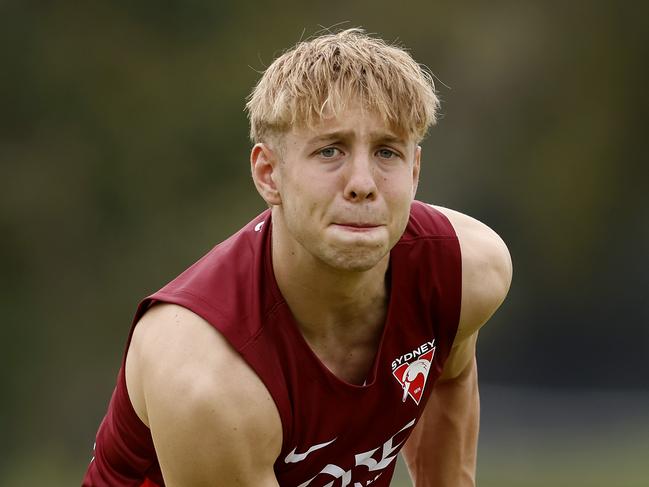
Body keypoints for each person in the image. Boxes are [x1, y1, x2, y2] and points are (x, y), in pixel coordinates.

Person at [83, 28, 512, 487]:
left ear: (415, 170)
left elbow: (448, 376)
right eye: (330, 150)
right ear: (269, 174)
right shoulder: (207, 378)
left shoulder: (466, 272)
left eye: (387, 152)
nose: (363, 182)